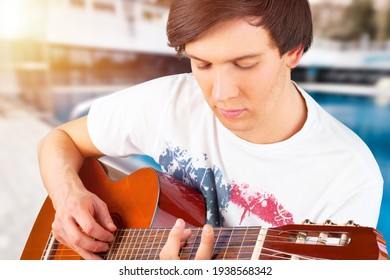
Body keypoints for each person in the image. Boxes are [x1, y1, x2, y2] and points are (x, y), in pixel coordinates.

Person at [37, 0, 383, 260]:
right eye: (201, 64)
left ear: (292, 52)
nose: (220, 93)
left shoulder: (348, 178)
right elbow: (61, 139)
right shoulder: (169, 102)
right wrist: (67, 195)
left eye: (245, 64)